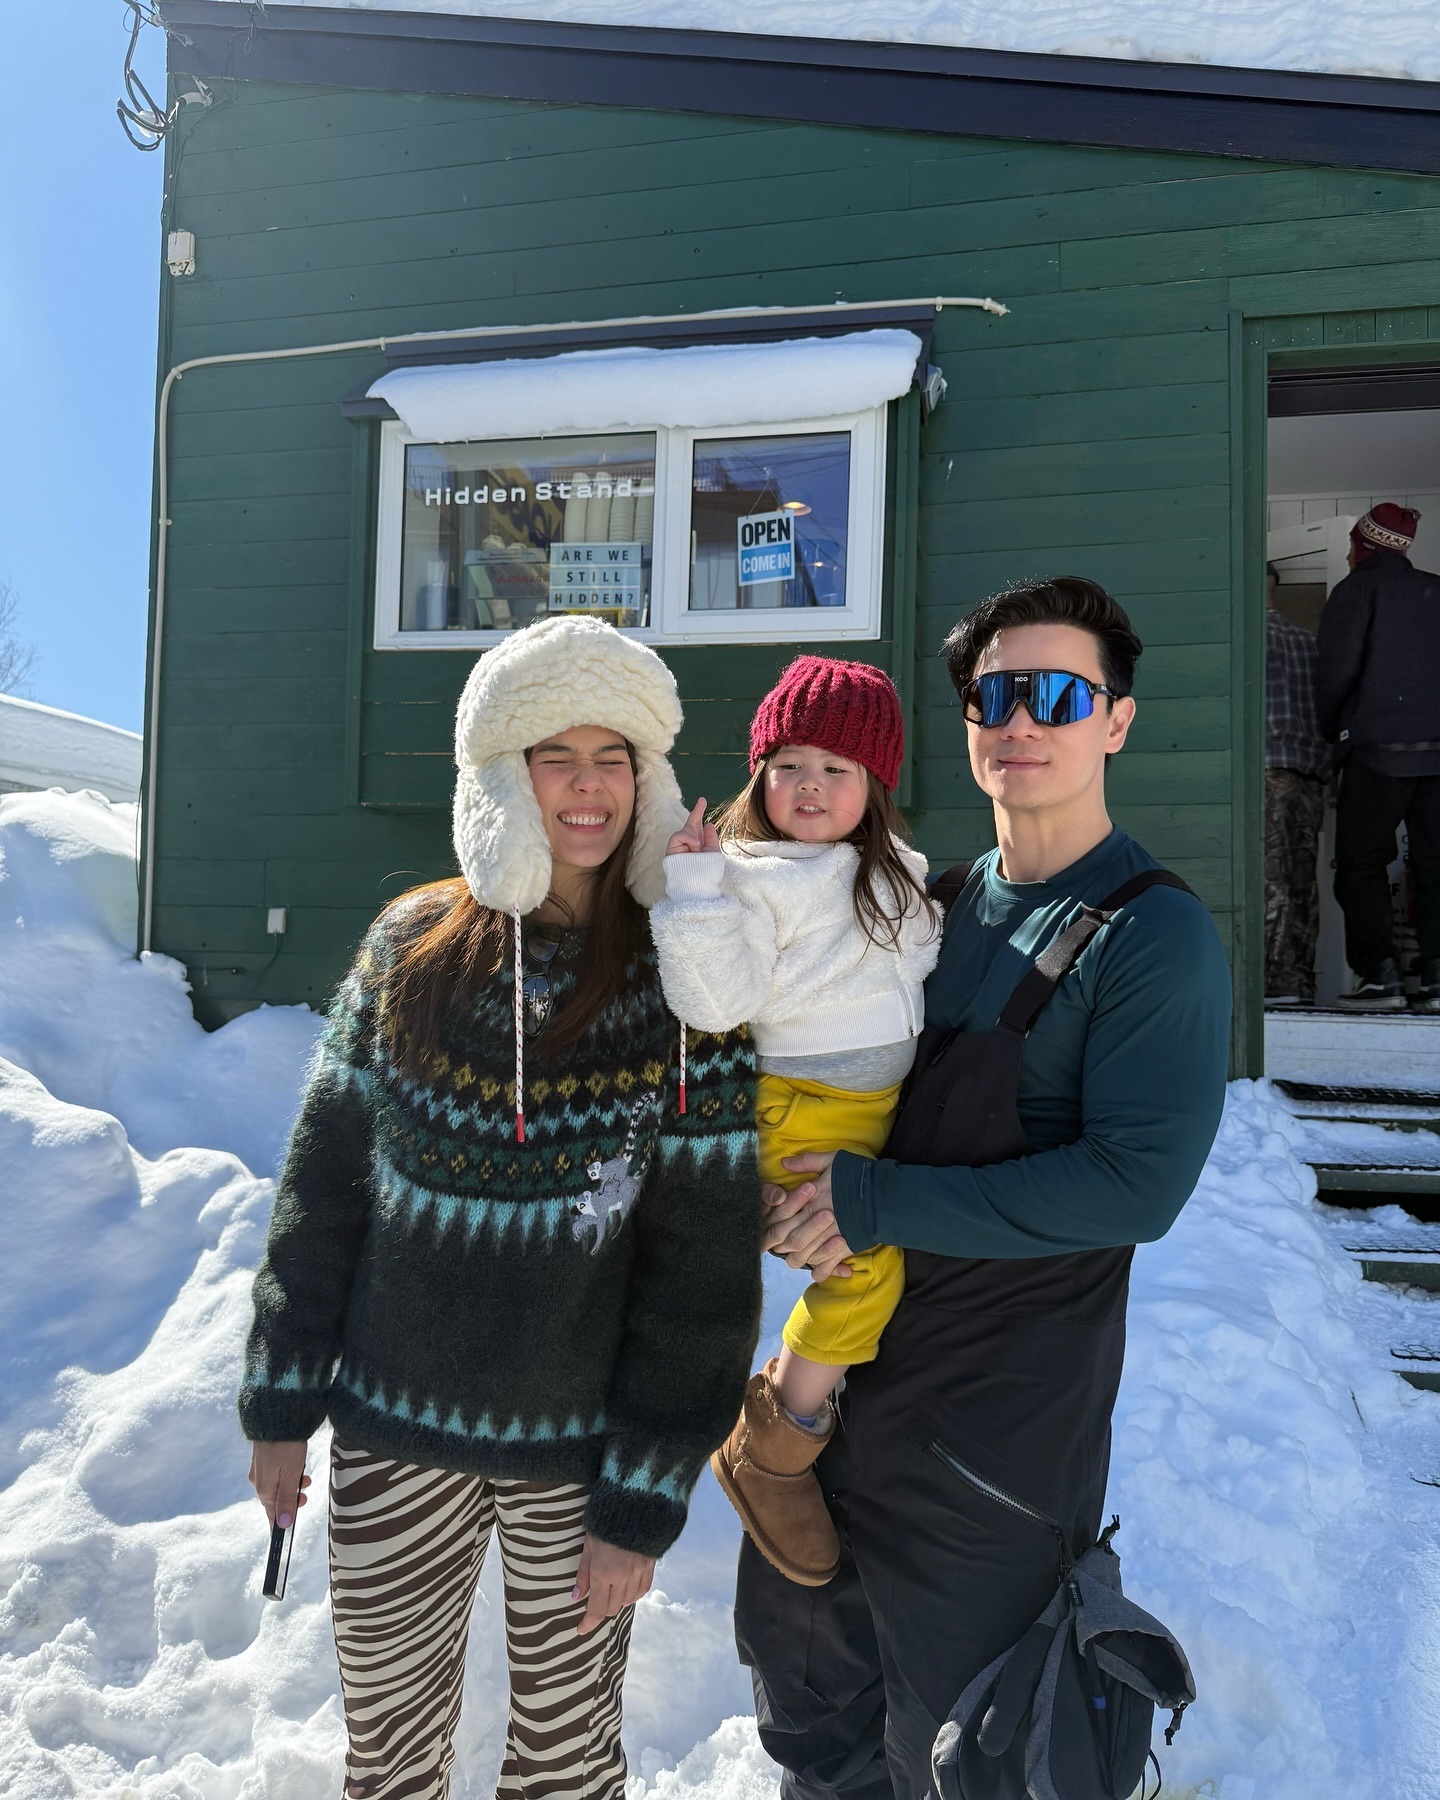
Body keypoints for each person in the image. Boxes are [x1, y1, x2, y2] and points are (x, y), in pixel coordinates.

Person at [239, 616, 762, 1800]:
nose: (587, 786)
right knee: (388, 1757)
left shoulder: (691, 979)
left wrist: (643, 1494)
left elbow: (703, 1272)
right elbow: (323, 1188)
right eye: (554, 755)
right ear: (502, 778)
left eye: (613, 757)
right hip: (391, 1431)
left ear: (647, 780)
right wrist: (281, 1397)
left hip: (578, 1462)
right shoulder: (411, 949)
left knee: (568, 1766)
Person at [733, 576, 1232, 1800]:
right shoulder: (921, 907)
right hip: (845, 1408)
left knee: (970, 1752)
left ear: (1116, 720)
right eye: (994, 695)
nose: (1020, 720)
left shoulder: (1150, 934)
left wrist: (871, 1204)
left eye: (1057, 694)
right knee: (819, 1724)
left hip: (999, 1452)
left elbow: (1135, 1188)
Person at [649, 656, 941, 1588]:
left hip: (876, 1114)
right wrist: (696, 895)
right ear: (759, 775)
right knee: (862, 1271)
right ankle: (774, 1443)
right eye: (790, 765)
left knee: (891, 1259)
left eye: (837, 768)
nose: (811, 785)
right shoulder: (747, 878)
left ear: (875, 784)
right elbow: (713, 998)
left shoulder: (887, 872)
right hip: (801, 1110)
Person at [1318, 503, 1440, 1012]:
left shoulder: (1356, 591)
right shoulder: (1436, 591)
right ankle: (1436, 977)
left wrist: (1332, 731)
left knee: (1361, 863)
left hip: (1377, 752)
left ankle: (1380, 978)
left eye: (1352, 545)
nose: (1348, 555)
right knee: (1435, 863)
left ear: (1365, 545)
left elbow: (1336, 672)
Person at [1264, 561, 1331, 1005]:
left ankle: (1271, 984)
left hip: (1266, 771)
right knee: (1301, 881)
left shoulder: (1250, 642)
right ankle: (1297, 982)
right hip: (1310, 777)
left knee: (1269, 880)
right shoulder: (1310, 644)